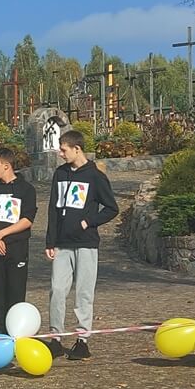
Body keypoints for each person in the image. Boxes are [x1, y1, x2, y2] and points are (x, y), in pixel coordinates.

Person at [44, 129, 118, 360]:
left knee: (83, 293)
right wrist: (50, 240)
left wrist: (88, 221)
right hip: (63, 244)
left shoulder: (95, 176)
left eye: (64, 149)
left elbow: (111, 208)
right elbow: (54, 209)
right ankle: (55, 338)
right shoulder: (60, 173)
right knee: (57, 290)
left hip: (86, 244)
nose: (60, 153)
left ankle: (82, 340)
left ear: (77, 149)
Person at [0, 148, 37, 333]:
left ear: (6, 166)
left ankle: (17, 330)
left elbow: (27, 220)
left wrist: (1, 234)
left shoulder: (26, 189)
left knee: (15, 292)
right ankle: (2, 330)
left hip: (16, 248)